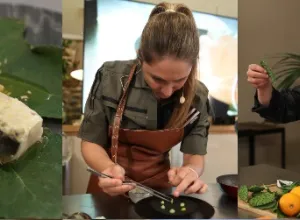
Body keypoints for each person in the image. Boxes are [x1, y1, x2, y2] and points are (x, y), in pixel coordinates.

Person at [79, 2, 210, 198]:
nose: (167, 91)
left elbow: (194, 155)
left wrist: (191, 171)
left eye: (179, 81)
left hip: (159, 193)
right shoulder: (111, 77)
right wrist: (107, 168)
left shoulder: (198, 96)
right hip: (109, 192)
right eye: (157, 79)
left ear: (192, 66)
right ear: (140, 58)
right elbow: (90, 142)